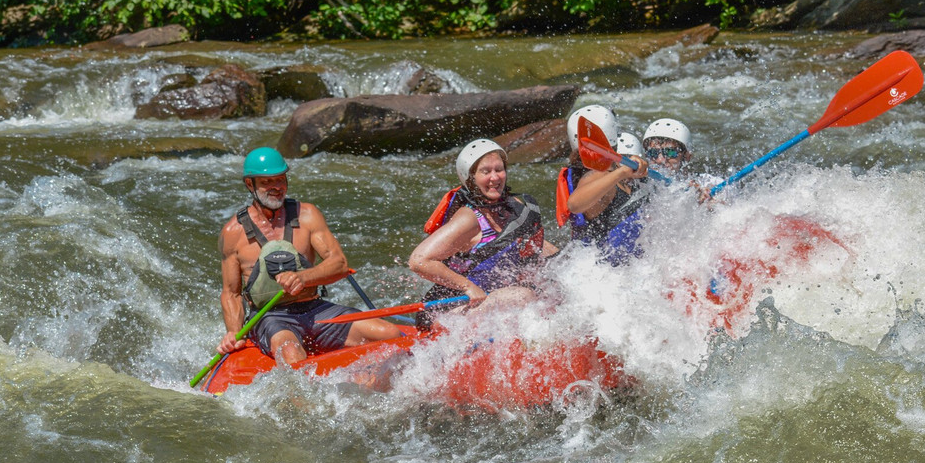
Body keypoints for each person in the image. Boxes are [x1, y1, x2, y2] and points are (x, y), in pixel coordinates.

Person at [217, 147, 400, 365]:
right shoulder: (233, 232)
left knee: (389, 334)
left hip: (315, 309)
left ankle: (367, 382)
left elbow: (339, 264)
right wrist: (234, 333)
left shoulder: (307, 215)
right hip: (271, 317)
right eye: (267, 182)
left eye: (281, 179)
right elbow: (231, 293)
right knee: (291, 353)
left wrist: (303, 278)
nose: (277, 187)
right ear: (250, 184)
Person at [409, 138, 558, 328]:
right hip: (447, 311)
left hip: (492, 302)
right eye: (486, 172)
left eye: (499, 169)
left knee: (554, 290)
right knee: (522, 295)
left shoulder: (513, 206)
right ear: (470, 178)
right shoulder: (469, 218)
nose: (495, 178)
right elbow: (419, 261)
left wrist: (566, 265)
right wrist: (468, 287)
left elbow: (537, 246)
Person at [556, 105, 651, 264]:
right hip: (610, 271)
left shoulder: (608, 171)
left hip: (621, 267)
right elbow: (574, 204)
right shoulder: (596, 175)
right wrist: (621, 173)